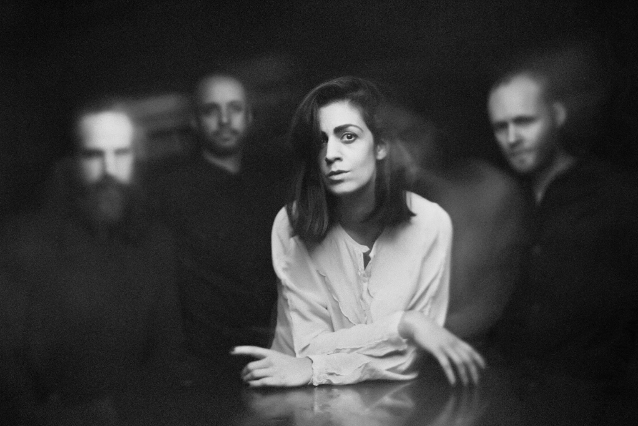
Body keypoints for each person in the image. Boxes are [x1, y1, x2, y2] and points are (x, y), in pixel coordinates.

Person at [232, 76, 485, 387]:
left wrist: (314, 368)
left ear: (380, 146)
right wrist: (404, 324)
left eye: (348, 136)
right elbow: (308, 348)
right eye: (320, 141)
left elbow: (409, 358)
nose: (330, 154)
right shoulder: (293, 222)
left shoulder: (431, 223)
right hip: (290, 394)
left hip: (391, 401)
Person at [0, 98, 183, 424]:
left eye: (121, 153)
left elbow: (166, 354)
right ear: (73, 161)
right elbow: (10, 370)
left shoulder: (156, 242)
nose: (109, 170)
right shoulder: (25, 244)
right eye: (94, 155)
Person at [486, 62, 638, 386]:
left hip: (591, 391)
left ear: (556, 115)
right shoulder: (509, 199)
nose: (512, 138)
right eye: (501, 127)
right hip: (512, 388)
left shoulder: (613, 195)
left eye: (525, 121)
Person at [151, 74, 289, 366]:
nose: (224, 120)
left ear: (249, 116)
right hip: (204, 359)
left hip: (278, 352)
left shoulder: (273, 189)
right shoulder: (171, 194)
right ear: (195, 121)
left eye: (235, 108)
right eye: (211, 110)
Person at [381, 103, 527, 345]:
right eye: (382, 138)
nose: (396, 153)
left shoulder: (490, 193)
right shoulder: (377, 199)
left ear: (440, 130)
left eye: (409, 136)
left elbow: (484, 307)